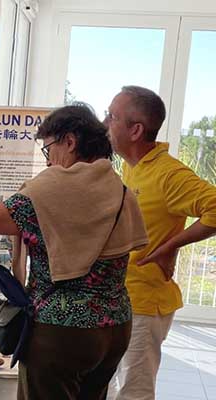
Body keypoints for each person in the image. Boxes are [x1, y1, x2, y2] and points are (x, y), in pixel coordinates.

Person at [0, 104, 149, 400]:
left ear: (70, 141)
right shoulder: (120, 189)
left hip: (62, 331)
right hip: (115, 328)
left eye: (48, 149)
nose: (49, 161)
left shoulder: (55, 185)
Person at [105, 86, 216, 400]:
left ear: (136, 130)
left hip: (144, 305)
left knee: (133, 392)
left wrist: (171, 246)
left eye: (112, 116)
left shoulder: (169, 175)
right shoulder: (132, 168)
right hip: (119, 296)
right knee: (110, 387)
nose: (105, 123)